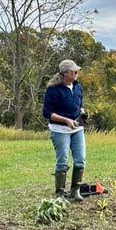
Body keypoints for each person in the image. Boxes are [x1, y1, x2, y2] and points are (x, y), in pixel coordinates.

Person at [43, 59, 88, 201]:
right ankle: (60, 194)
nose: (76, 73)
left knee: (80, 160)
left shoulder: (77, 87)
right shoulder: (53, 89)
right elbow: (47, 113)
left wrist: (82, 112)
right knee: (63, 161)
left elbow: (80, 103)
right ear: (65, 73)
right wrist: (66, 120)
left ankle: (75, 191)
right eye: (73, 71)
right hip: (59, 130)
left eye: (77, 71)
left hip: (76, 129)